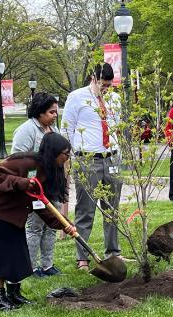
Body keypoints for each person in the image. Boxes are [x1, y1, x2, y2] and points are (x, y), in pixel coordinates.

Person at [0, 133, 76, 311]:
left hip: (10, 211)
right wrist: (20, 182)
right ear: (54, 152)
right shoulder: (27, 162)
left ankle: (14, 294)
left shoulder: (49, 170)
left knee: (17, 252)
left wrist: (64, 223)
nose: (67, 158)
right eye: (65, 154)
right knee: (0, 254)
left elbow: (41, 204)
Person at [61, 62, 123, 271]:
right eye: (103, 85)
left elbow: (118, 126)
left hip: (112, 158)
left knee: (112, 210)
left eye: (109, 85)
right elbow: (66, 130)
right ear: (93, 80)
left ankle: (113, 252)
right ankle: (83, 257)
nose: (106, 89)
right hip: (88, 159)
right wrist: (69, 160)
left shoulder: (114, 99)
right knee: (86, 210)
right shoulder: (76, 97)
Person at [11, 92, 63, 278]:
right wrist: (30, 182)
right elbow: (16, 160)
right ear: (39, 112)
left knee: (51, 226)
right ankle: (31, 267)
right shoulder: (26, 130)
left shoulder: (54, 130)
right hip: (35, 189)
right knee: (35, 227)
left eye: (56, 112)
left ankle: (47, 266)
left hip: (53, 187)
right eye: (51, 112)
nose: (55, 115)